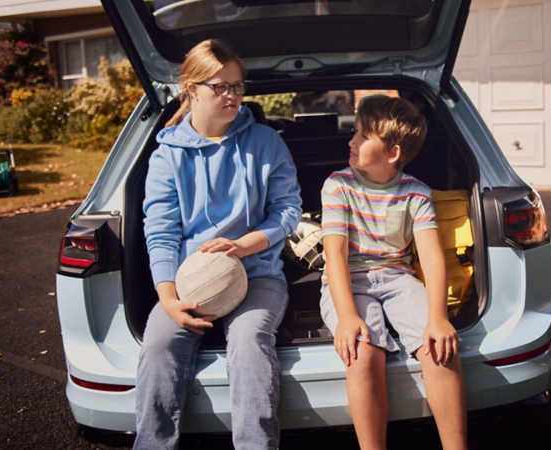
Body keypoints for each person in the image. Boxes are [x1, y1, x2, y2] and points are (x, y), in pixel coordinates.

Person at [136, 39, 302, 450]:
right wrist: (169, 298)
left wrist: (244, 246)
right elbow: (160, 232)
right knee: (158, 345)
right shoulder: (166, 157)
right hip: (190, 281)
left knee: (248, 342)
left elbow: (288, 210)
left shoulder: (265, 142)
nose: (232, 96)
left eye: (238, 86)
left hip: (257, 272)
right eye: (220, 86)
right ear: (192, 89)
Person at [319, 97, 467, 449]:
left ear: (392, 152)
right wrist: (347, 316)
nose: (352, 140)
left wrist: (438, 318)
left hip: (397, 279)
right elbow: (335, 255)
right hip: (348, 282)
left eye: (363, 136)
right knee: (361, 353)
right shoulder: (338, 185)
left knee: (439, 348)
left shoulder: (415, 193)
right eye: (355, 132)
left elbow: (431, 258)